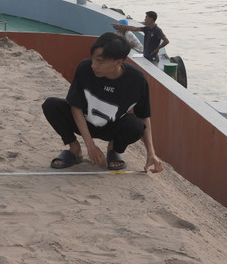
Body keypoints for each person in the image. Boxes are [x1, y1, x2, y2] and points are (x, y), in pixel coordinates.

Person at [43, 32, 163, 173]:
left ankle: (113, 150)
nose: (94, 65)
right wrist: (90, 145)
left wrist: (151, 153)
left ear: (118, 62)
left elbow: (144, 116)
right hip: (84, 122)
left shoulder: (137, 81)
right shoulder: (84, 69)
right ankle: (74, 150)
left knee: (137, 126)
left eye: (100, 61)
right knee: (51, 105)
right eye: (93, 59)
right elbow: (76, 107)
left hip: (112, 127)